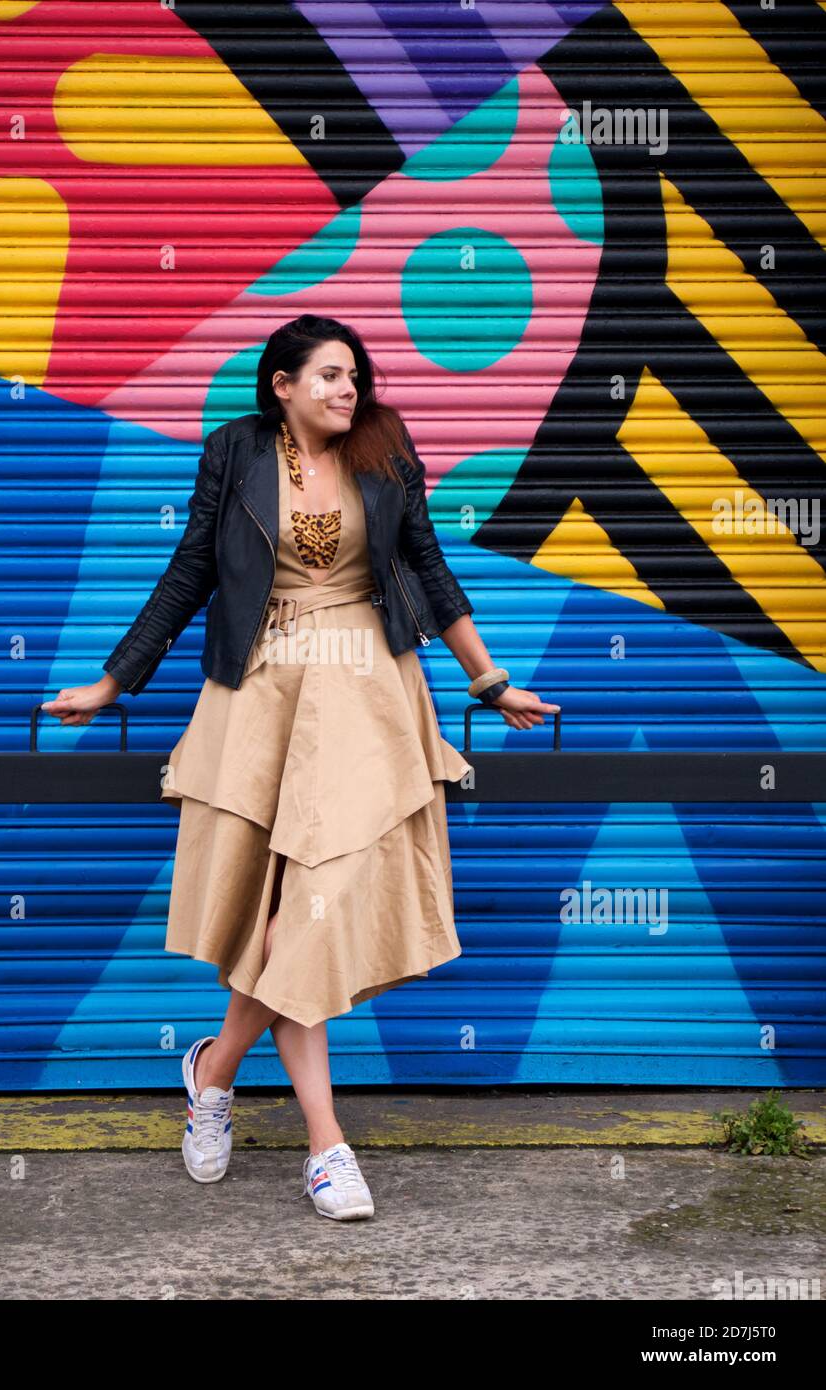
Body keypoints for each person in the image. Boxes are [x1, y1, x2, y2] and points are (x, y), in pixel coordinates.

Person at [42, 314, 559, 1221]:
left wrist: (489, 679)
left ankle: (226, 1078)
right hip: (262, 692)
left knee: (303, 922)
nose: (347, 389)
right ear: (280, 384)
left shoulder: (386, 450)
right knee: (282, 923)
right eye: (326, 375)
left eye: (354, 375)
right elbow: (191, 570)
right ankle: (318, 1142)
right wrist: (116, 680)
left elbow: (428, 568)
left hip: (369, 691)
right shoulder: (234, 452)